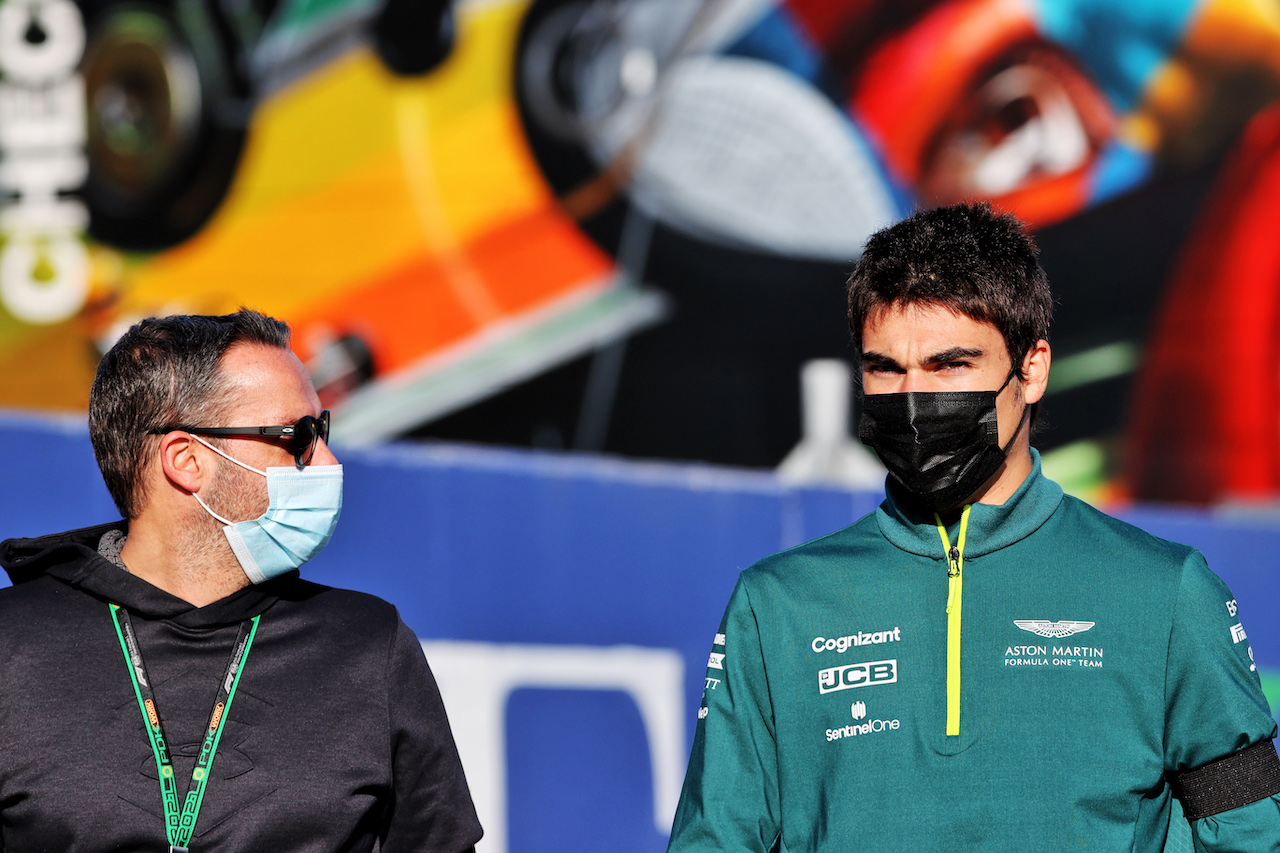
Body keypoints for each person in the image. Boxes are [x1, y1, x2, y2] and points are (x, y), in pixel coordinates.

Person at [666, 203, 1280, 851]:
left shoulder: (1166, 591)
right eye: (884, 367)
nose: (912, 398)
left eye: (949, 364)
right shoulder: (778, 604)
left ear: (1032, 369)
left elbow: (1251, 834)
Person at [0, 310, 483, 852]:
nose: (326, 459)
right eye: (299, 435)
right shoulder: (11, 646)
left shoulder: (369, 646)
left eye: (323, 431)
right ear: (186, 460)